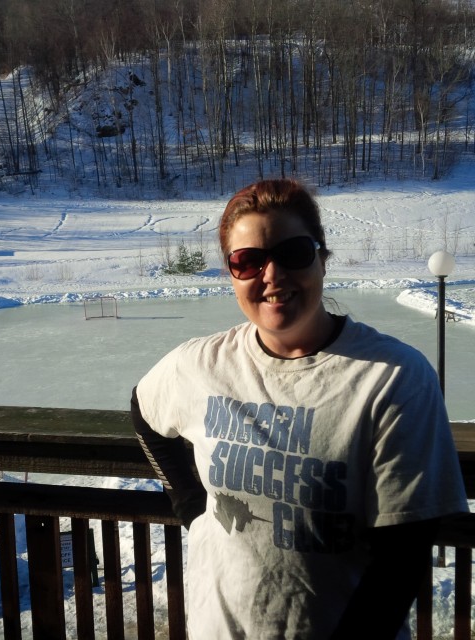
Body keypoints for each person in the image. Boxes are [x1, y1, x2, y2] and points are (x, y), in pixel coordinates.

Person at [131, 178, 468, 640]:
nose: (271, 276)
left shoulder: (394, 376)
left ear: (322, 259)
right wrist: (191, 505)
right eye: (247, 261)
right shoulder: (198, 364)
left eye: (292, 254)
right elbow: (144, 412)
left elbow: (402, 558)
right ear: (231, 274)